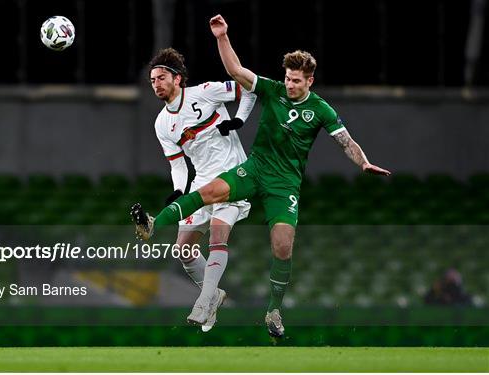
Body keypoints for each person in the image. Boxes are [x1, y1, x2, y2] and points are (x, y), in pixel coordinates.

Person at [132, 16, 391, 338]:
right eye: (287, 78)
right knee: (198, 216)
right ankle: (162, 230)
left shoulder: (321, 109)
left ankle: (273, 310)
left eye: (296, 80)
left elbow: (345, 140)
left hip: (284, 184)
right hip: (254, 168)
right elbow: (237, 73)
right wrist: (223, 37)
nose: (290, 85)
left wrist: (363, 163)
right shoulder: (272, 90)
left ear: (310, 80)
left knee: (282, 247)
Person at [136, 48, 256, 332]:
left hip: (232, 176)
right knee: (183, 249)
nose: (156, 84)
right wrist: (179, 191)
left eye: (161, 77)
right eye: (152, 80)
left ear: (177, 79)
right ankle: (214, 295)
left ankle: (203, 301)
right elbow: (178, 164)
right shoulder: (162, 123)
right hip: (201, 182)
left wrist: (239, 119)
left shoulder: (205, 92)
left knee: (217, 233)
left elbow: (249, 87)